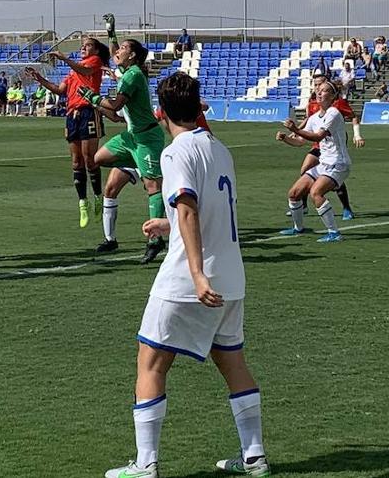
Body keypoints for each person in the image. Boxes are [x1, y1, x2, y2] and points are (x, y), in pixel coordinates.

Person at [104, 72, 268, 478]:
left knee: (150, 363)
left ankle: (145, 463)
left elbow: (190, 209)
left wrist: (196, 274)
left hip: (190, 280)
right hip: (232, 276)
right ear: (199, 106)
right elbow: (208, 210)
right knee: (232, 361)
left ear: (160, 113)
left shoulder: (175, 153)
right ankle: (254, 456)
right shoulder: (220, 149)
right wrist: (169, 225)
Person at [82, 39, 168, 265]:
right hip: (130, 138)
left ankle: (155, 240)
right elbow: (114, 114)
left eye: (123, 48)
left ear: (132, 56)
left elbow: (115, 105)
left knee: (153, 187)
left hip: (147, 139)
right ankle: (111, 239)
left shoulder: (133, 75)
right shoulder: (127, 73)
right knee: (98, 159)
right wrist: (111, 33)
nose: (117, 51)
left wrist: (92, 97)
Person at [23, 37, 112, 237]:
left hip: (88, 112)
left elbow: (85, 71)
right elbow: (60, 90)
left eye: (88, 45)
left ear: (96, 50)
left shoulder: (94, 62)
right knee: (76, 161)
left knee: (90, 159)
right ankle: (83, 202)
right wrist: (40, 79)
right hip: (72, 115)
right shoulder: (73, 70)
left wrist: (64, 58)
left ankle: (98, 196)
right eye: (82, 45)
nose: (83, 47)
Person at [279, 69, 363, 232]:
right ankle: (298, 228)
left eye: (324, 90)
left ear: (332, 96)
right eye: (318, 89)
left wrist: (295, 129)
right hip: (324, 163)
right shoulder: (314, 117)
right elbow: (300, 142)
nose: (319, 92)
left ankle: (334, 232)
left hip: (338, 164)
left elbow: (318, 136)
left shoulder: (334, 113)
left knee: (316, 193)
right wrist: (285, 139)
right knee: (294, 193)